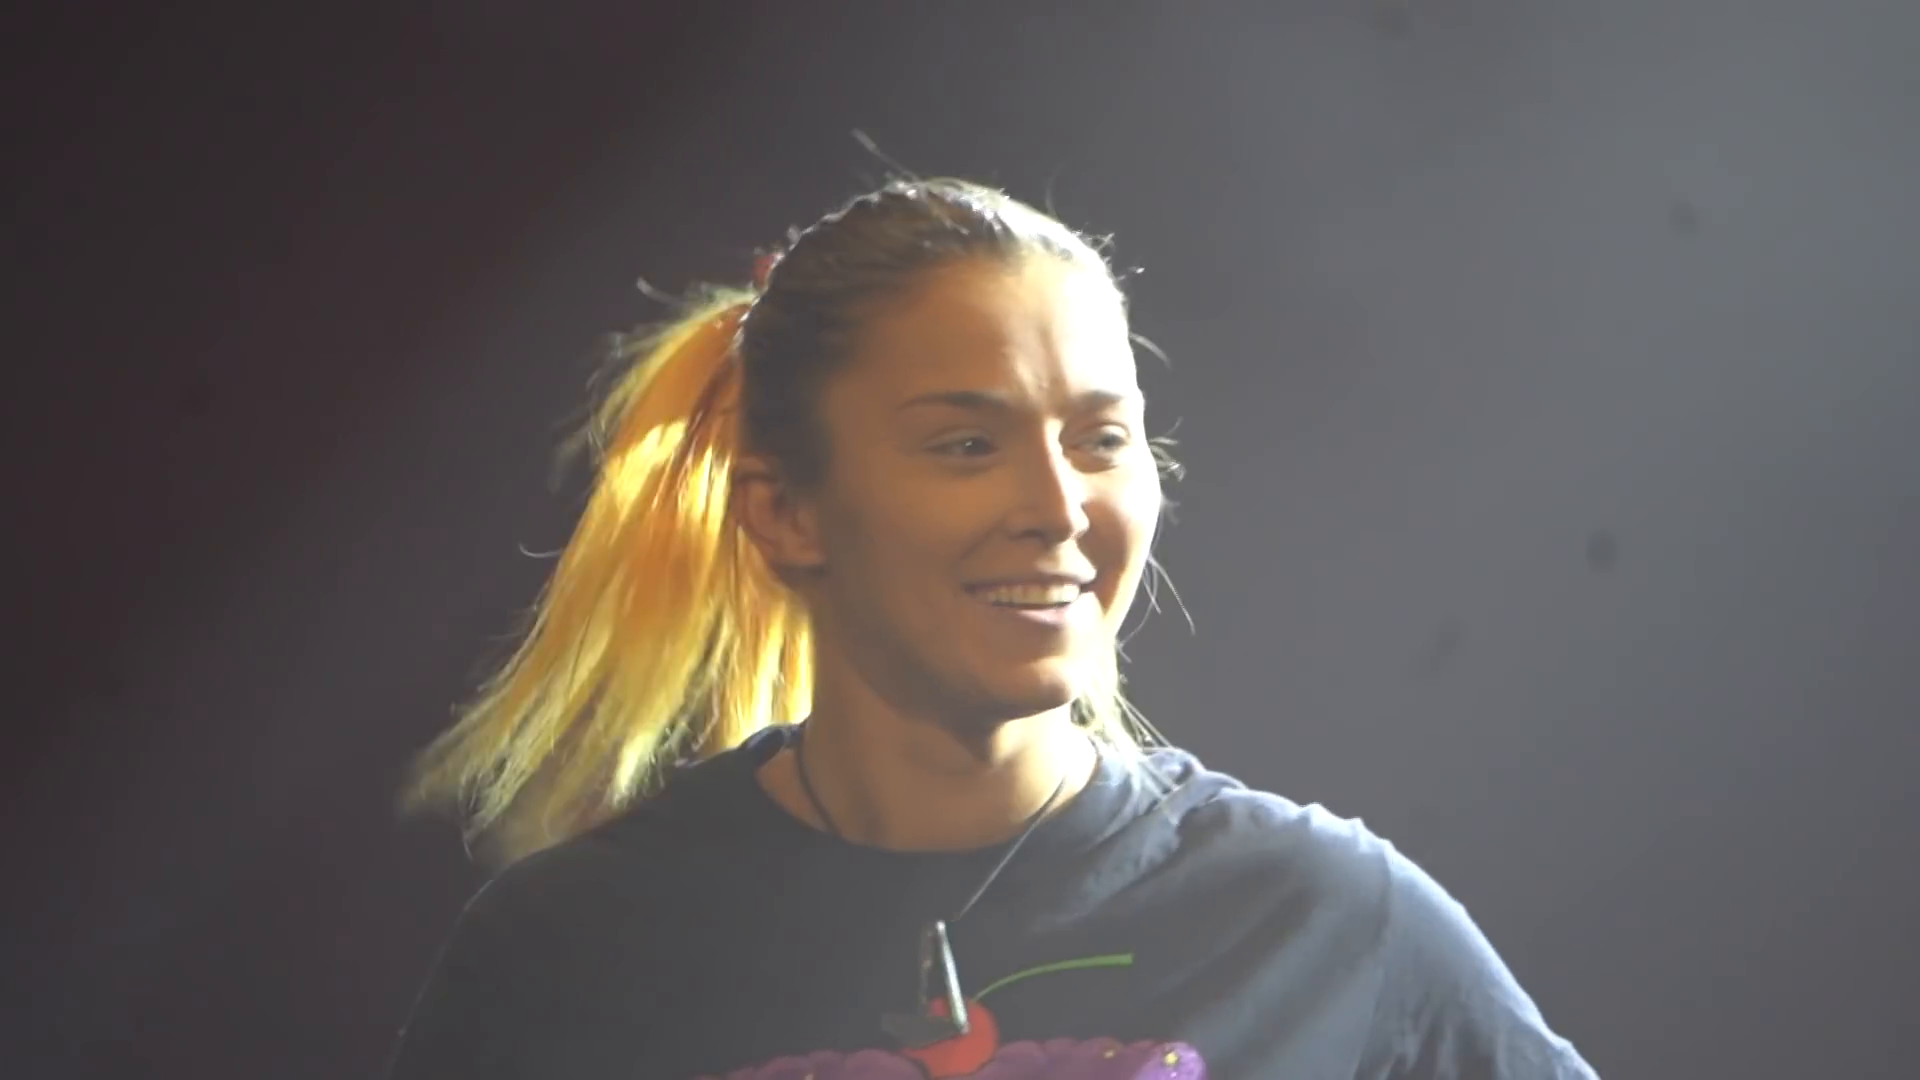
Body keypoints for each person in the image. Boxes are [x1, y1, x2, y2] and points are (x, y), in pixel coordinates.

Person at [385, 178, 1599, 1080]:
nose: (1058, 506)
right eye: (967, 444)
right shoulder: (564, 955)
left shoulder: (1315, 918)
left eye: (1100, 439)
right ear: (786, 513)